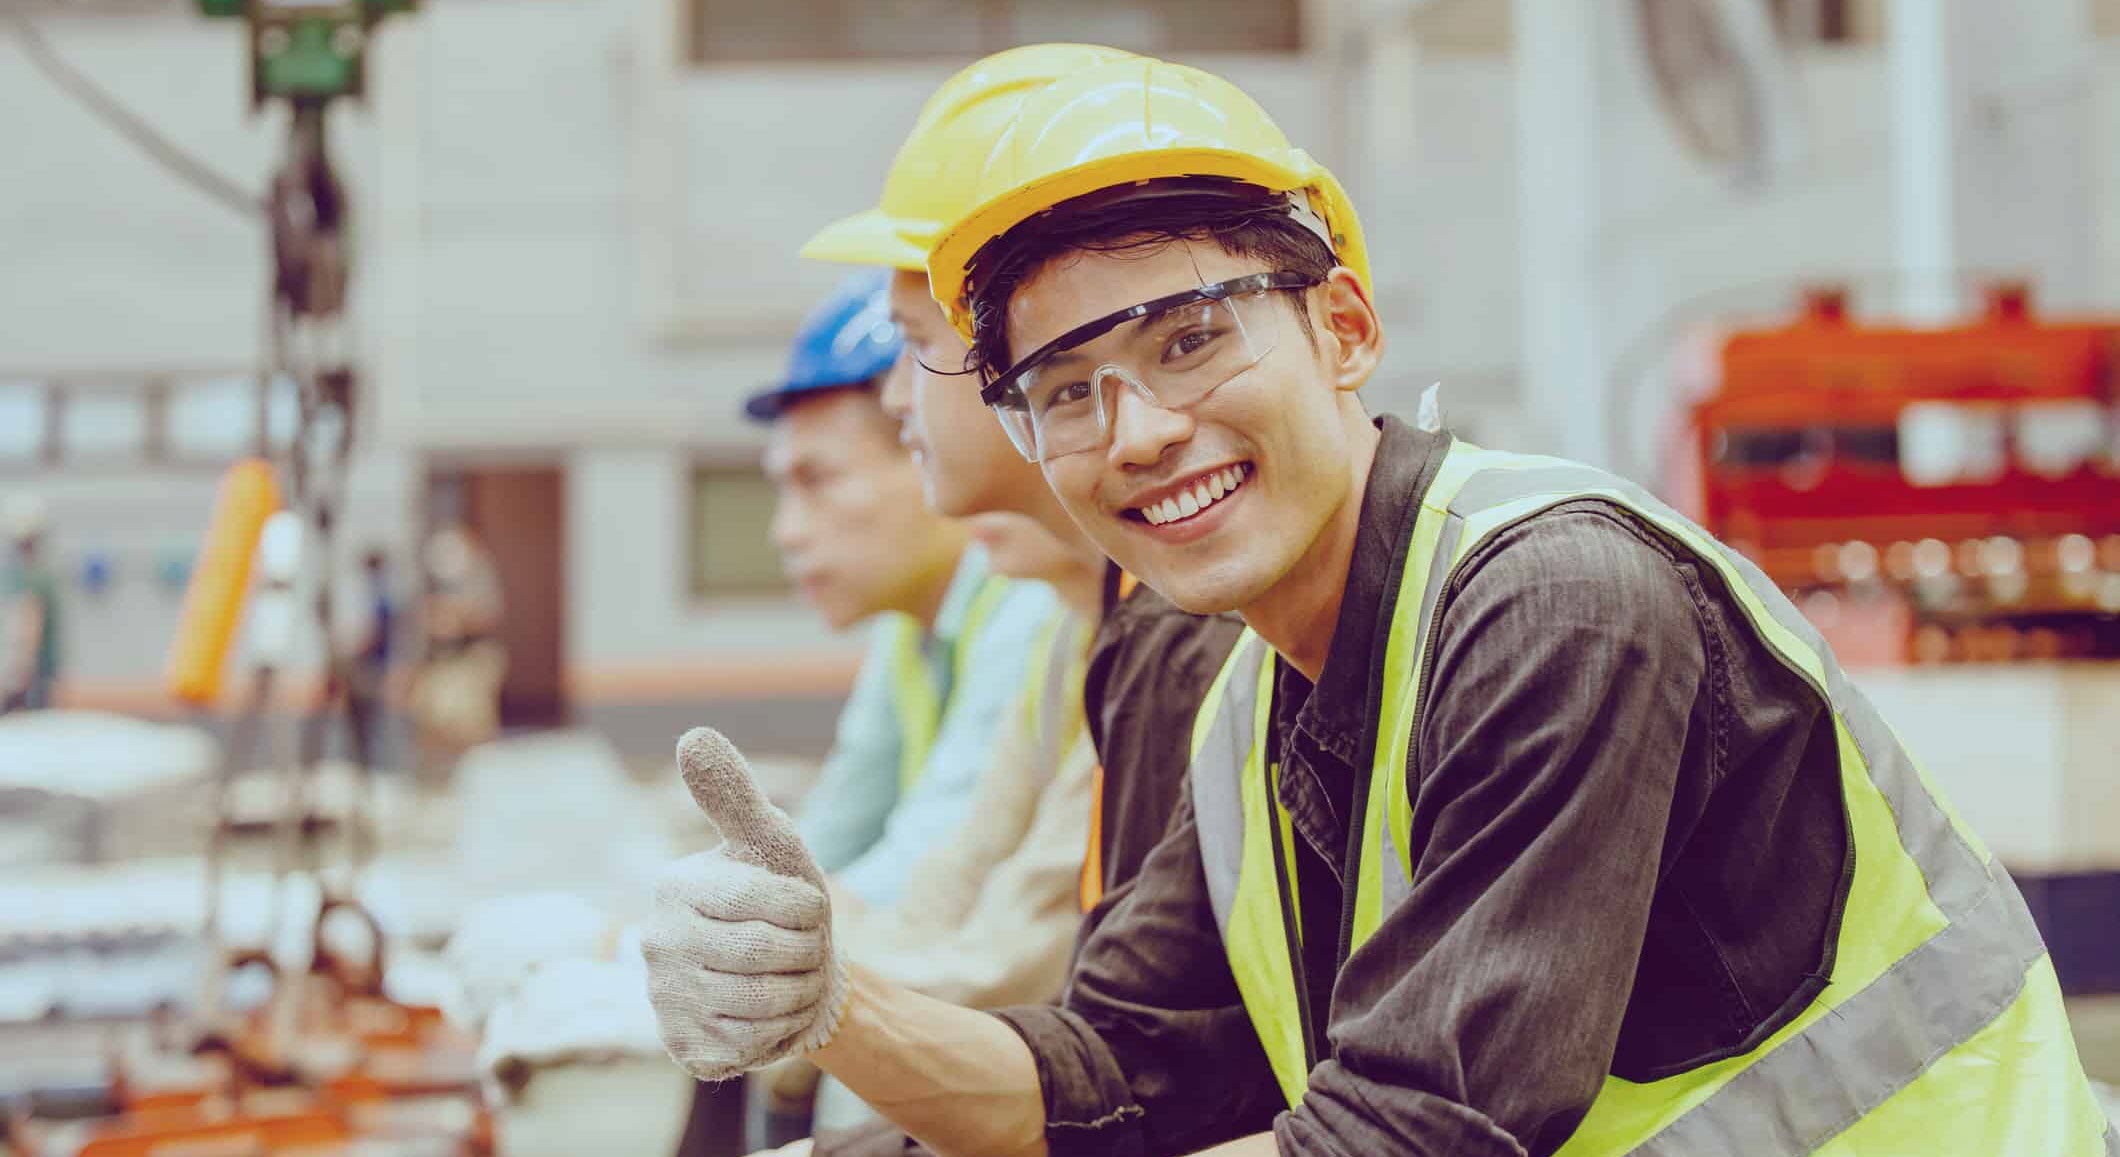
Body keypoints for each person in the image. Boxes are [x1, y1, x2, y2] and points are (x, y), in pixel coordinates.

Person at [644, 51, 2117, 1157]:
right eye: (1069, 391)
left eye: (1188, 341)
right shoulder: (1243, 706)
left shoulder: (1557, 608)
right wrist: (827, 1002)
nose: (1138, 430)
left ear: (1344, 328)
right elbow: (1118, 1075)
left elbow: (1415, 1134)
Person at [1, 494, 60, 713]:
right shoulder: (39, 575)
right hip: (36, 678)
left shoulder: (30, 578)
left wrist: (15, 679)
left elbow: (28, 630)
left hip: (28, 680)